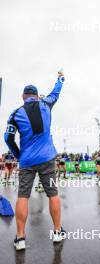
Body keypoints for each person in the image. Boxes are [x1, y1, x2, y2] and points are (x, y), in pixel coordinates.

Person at [4, 71, 66, 250]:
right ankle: (57, 232)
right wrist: (61, 78)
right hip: (47, 158)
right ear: (37, 95)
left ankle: (20, 238)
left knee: (23, 196)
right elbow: (56, 92)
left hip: (27, 161)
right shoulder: (46, 104)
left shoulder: (15, 114)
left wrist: (18, 155)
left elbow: (7, 138)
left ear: (23, 97)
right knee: (53, 193)